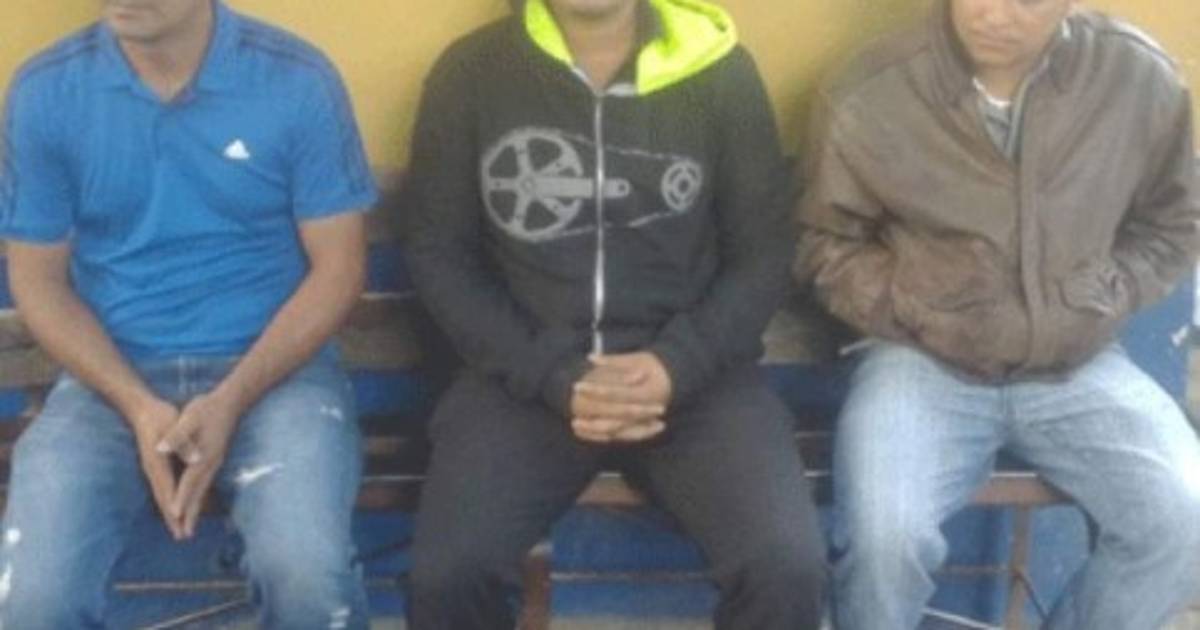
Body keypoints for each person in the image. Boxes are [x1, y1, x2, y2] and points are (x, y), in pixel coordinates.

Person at [401, 0, 826, 627]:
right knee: (448, 576)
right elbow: (439, 256)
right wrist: (554, 374)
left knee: (786, 567)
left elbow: (764, 253)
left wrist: (678, 364)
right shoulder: (472, 72)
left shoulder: (720, 72)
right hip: (523, 381)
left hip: (697, 383)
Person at [796, 0, 1200, 628]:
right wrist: (913, 305)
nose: (994, 14)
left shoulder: (1135, 78)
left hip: (1075, 363)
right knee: (887, 538)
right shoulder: (874, 88)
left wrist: (1108, 292)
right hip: (919, 359)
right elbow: (822, 243)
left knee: (1185, 518)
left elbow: (1174, 222)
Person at [0, 1, 375, 627]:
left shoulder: (295, 79)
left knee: (308, 576)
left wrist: (231, 398)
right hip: (109, 382)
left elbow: (339, 271)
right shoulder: (48, 90)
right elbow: (38, 280)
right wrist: (136, 404)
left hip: (276, 377)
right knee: (34, 599)